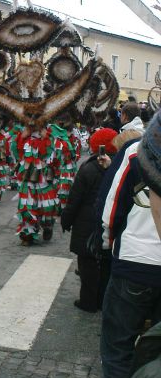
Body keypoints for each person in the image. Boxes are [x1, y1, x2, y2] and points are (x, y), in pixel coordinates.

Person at [97, 129, 161, 378]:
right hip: (138, 258)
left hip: (135, 261)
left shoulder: (139, 149)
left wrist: (110, 243)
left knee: (118, 349)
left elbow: (110, 208)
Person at [61, 128, 118, 312]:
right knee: (105, 266)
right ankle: (101, 300)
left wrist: (66, 220)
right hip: (107, 224)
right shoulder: (117, 166)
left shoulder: (87, 168)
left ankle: (88, 302)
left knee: (87, 266)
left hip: (87, 226)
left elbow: (74, 199)